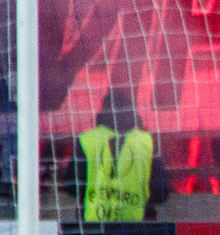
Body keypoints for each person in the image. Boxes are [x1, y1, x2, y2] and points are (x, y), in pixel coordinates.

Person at [72, 90, 169, 222]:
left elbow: (72, 186)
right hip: (136, 223)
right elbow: (161, 192)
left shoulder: (86, 139)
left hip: (94, 223)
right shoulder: (148, 141)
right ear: (132, 112)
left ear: (103, 111)